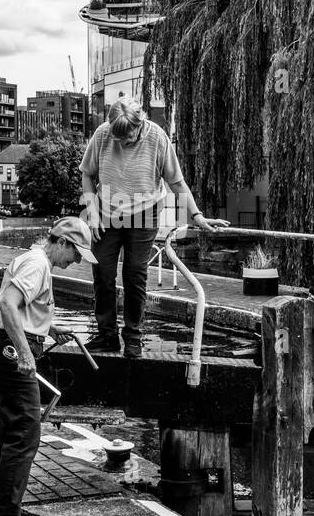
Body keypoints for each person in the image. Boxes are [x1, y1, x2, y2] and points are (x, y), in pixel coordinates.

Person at [0, 217, 96, 516]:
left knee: (13, 432)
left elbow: (24, 308)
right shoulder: (38, 263)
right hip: (9, 351)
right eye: (76, 253)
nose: (76, 261)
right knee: (26, 432)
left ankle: (6, 511)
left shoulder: (33, 260)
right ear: (61, 242)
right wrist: (27, 353)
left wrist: (48, 327)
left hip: (1, 348)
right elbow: (8, 307)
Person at [79, 97, 229, 358]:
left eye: (129, 136)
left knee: (135, 273)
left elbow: (177, 183)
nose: (124, 142)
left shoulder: (158, 139)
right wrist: (91, 212)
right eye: (119, 138)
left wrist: (197, 216)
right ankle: (107, 337)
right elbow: (87, 175)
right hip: (106, 212)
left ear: (141, 123)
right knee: (102, 273)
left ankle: (133, 338)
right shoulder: (103, 135)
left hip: (145, 213)